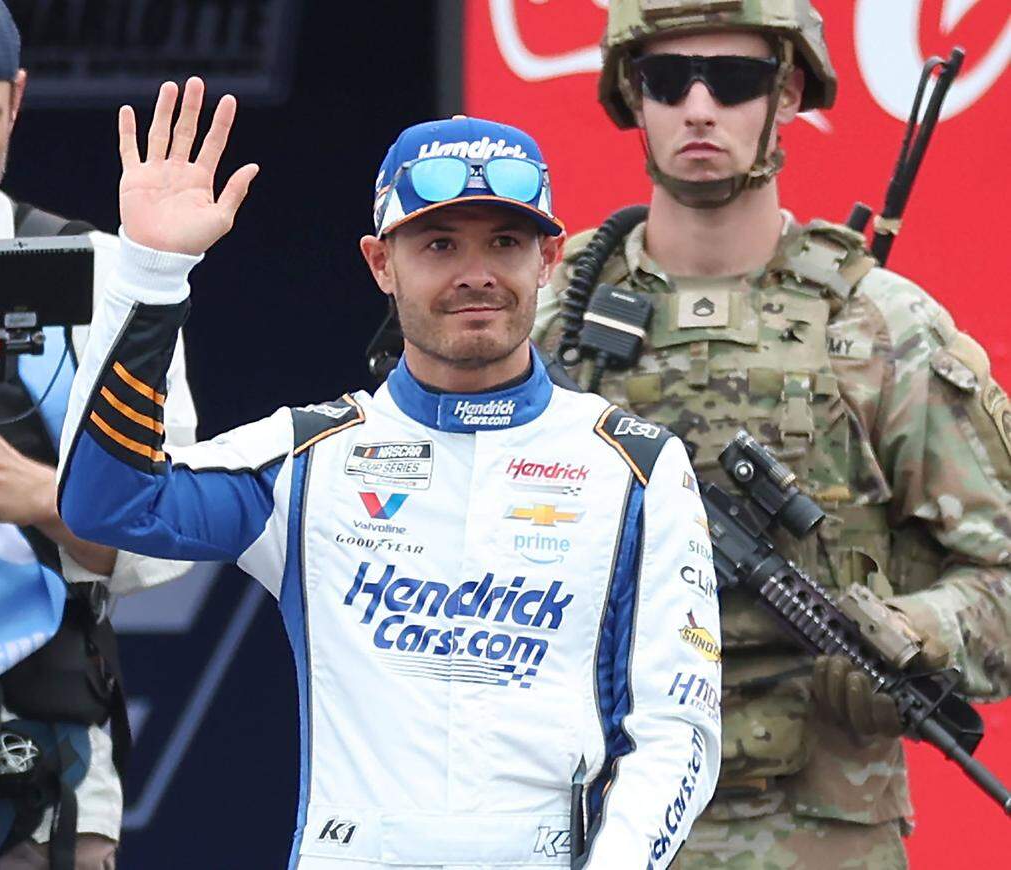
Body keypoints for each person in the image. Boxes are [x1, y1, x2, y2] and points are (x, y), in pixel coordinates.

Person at [56, 76, 722, 869]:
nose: (475, 271)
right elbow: (108, 507)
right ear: (381, 263)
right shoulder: (307, 459)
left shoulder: (636, 465)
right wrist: (151, 275)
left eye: (504, 243)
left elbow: (679, 730)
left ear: (550, 257)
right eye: (439, 244)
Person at [532, 1, 1011, 867]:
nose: (700, 106)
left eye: (738, 79)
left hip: (820, 832)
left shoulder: (880, 328)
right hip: (596, 822)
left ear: (788, 94)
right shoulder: (549, 321)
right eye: (668, 80)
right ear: (632, 97)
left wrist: (913, 632)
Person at [0, 1, 197, 867]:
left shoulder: (97, 276)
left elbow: (172, 541)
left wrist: (45, 495)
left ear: (16, 101)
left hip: (28, 767)